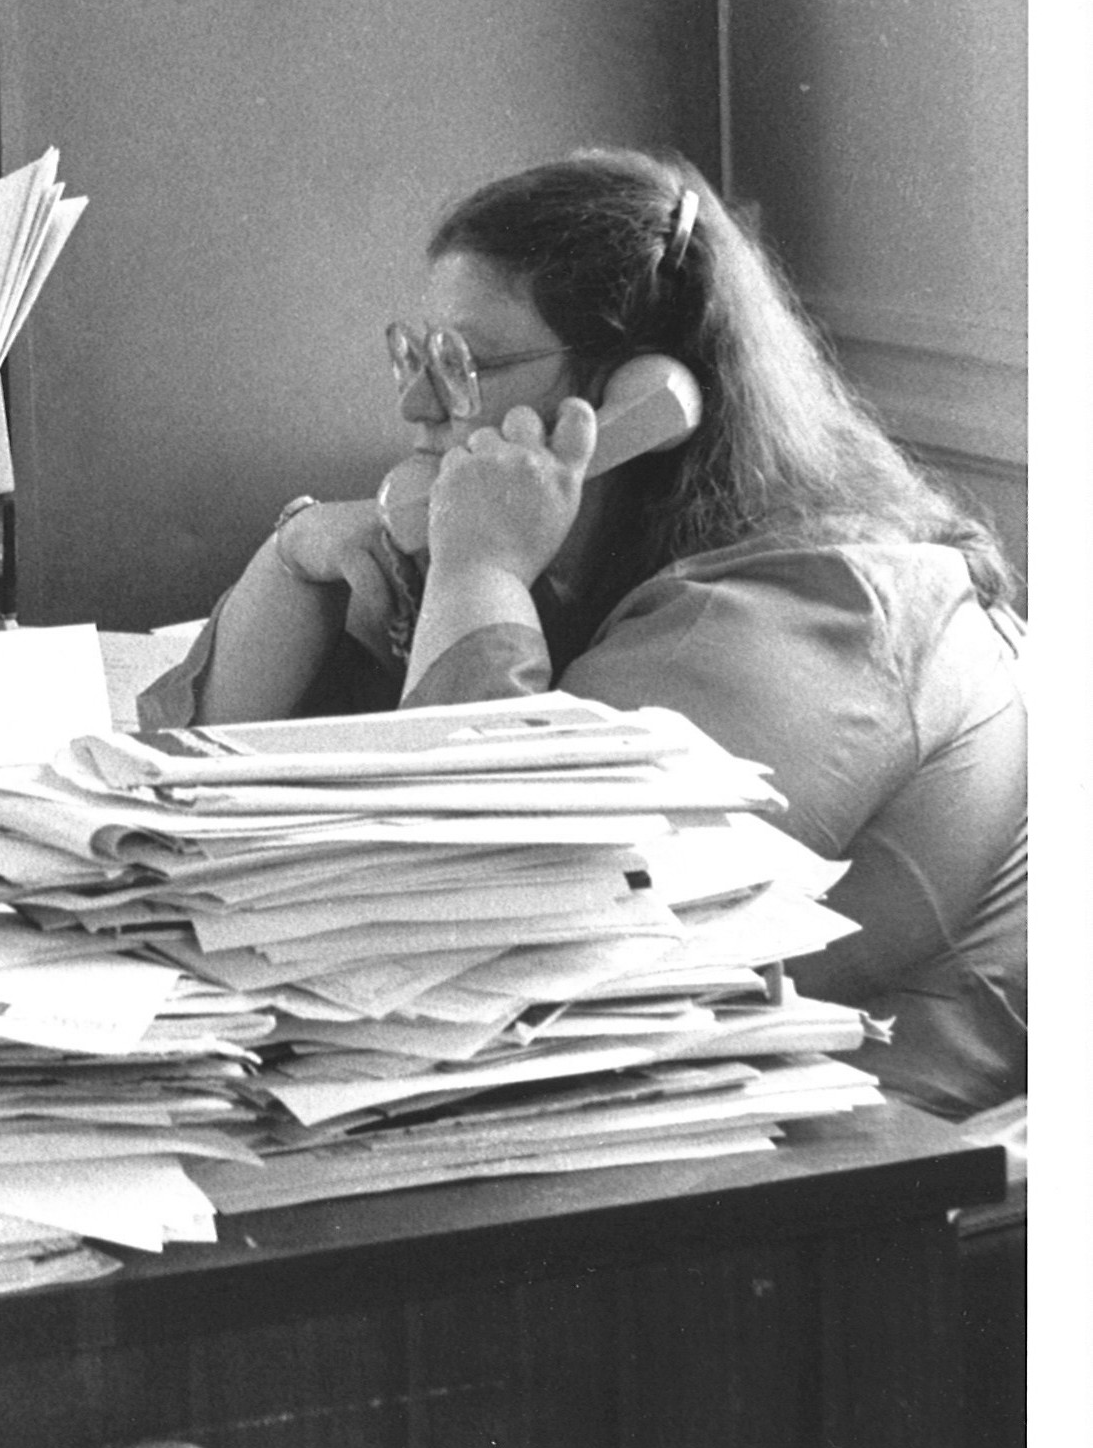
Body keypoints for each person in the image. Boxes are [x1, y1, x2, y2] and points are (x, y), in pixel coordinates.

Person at [138, 146, 1025, 1118]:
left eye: (463, 365)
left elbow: (487, 924)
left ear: (639, 396)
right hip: (668, 1107)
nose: (415, 405)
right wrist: (294, 555)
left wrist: (478, 573)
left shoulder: (814, 606)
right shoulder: (573, 564)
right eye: (416, 354)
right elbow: (182, 797)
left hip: (869, 1153)